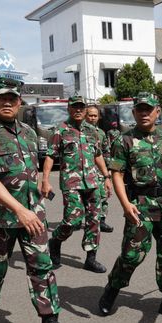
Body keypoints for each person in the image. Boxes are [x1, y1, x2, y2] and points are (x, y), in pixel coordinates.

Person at [0, 78, 60, 323]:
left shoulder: (29, 133)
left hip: (33, 214)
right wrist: (19, 209)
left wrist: (39, 193)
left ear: (20, 102)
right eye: (2, 98)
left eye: (13, 98)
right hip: (0, 218)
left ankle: (50, 318)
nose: (8, 102)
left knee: (42, 267)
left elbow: (31, 170)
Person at [98, 92, 162, 319]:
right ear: (133, 112)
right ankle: (113, 287)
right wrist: (125, 205)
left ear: (157, 112)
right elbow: (117, 175)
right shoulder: (124, 140)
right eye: (139, 109)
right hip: (140, 204)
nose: (144, 113)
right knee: (132, 255)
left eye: (148, 109)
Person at [41, 95, 112, 273]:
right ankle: (55, 241)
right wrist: (45, 180)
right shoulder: (61, 131)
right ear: (69, 109)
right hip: (71, 183)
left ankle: (91, 258)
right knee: (73, 220)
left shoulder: (92, 131)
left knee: (94, 220)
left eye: (81, 107)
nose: (78, 110)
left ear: (86, 109)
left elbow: (98, 155)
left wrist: (107, 177)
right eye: (75, 107)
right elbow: (50, 155)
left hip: (93, 182)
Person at [85, 105, 114, 233]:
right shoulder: (80, 132)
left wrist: (108, 172)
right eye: (90, 115)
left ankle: (101, 220)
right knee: (87, 198)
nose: (92, 118)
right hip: (85, 171)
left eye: (95, 115)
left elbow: (106, 153)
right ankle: (88, 219)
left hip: (100, 171)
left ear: (99, 117)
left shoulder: (101, 133)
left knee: (103, 195)